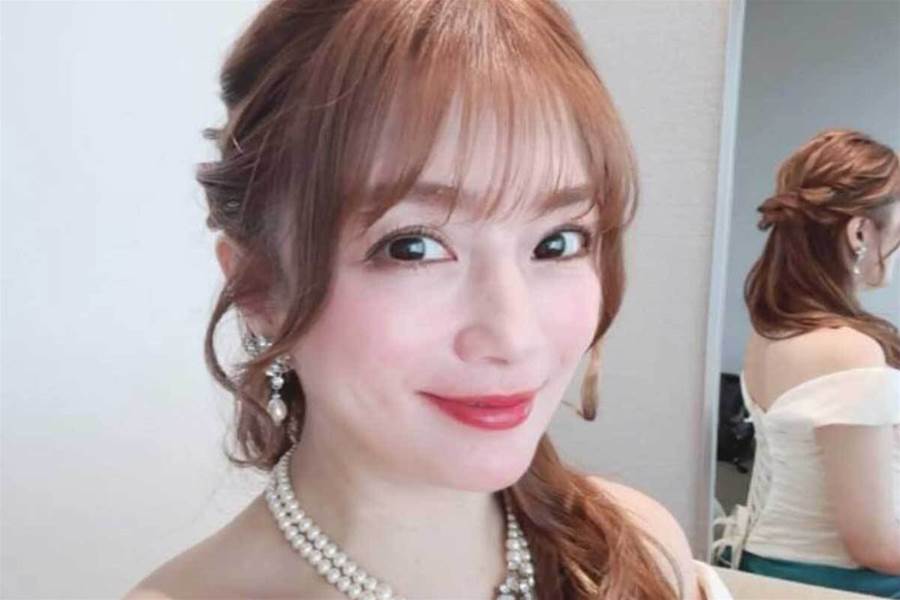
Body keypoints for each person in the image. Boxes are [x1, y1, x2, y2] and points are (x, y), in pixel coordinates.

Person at [127, 1, 731, 598]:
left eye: (557, 242)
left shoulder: (636, 550)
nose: (514, 336)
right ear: (259, 286)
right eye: (412, 247)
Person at [714, 129, 900, 597]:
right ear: (860, 232)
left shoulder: (771, 333)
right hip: (835, 584)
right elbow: (874, 544)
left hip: (764, 568)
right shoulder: (848, 350)